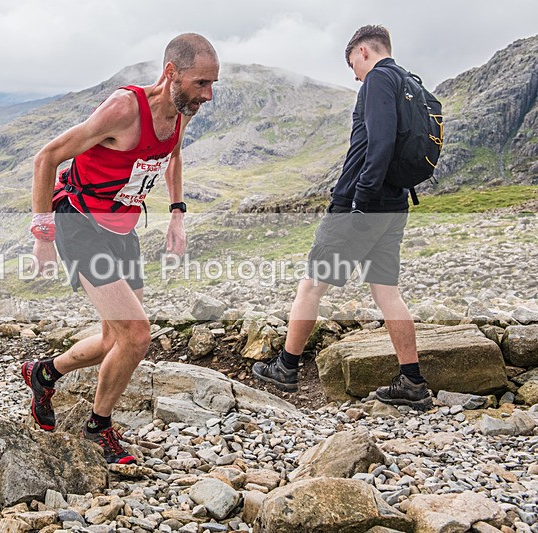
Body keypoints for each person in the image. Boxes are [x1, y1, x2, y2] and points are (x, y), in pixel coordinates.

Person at [22, 33, 219, 464]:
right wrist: (43, 237)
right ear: (171, 74)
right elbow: (46, 157)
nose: (207, 95)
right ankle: (98, 427)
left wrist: (177, 213)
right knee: (137, 334)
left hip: (122, 228)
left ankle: (43, 373)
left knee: (116, 338)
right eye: (201, 83)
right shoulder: (124, 110)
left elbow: (173, 156)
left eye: (212, 85)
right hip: (79, 222)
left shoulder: (181, 112)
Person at [252, 25, 433, 411]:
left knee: (312, 285)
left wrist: (359, 201)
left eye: (353, 64)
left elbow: (380, 143)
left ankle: (286, 367)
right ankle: (413, 381)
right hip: (395, 203)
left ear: (364, 52)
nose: (354, 74)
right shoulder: (408, 82)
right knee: (386, 291)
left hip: (361, 204)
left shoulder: (379, 80)